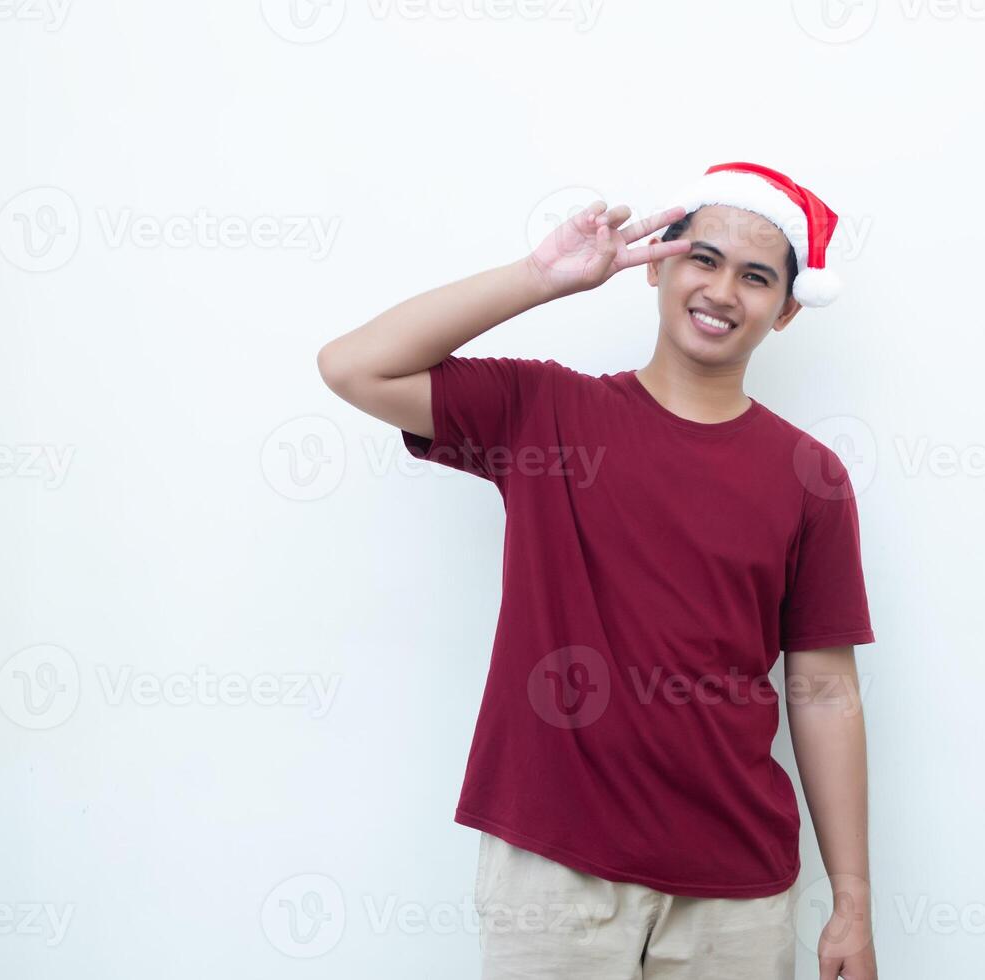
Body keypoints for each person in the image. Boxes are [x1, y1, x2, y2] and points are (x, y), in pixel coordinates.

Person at [317, 161, 879, 979]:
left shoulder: (810, 476)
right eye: (703, 258)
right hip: (555, 876)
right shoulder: (546, 414)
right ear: (656, 263)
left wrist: (852, 905)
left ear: (787, 310)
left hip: (736, 891)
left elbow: (825, 690)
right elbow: (354, 367)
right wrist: (540, 278)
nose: (723, 290)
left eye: (756, 277)